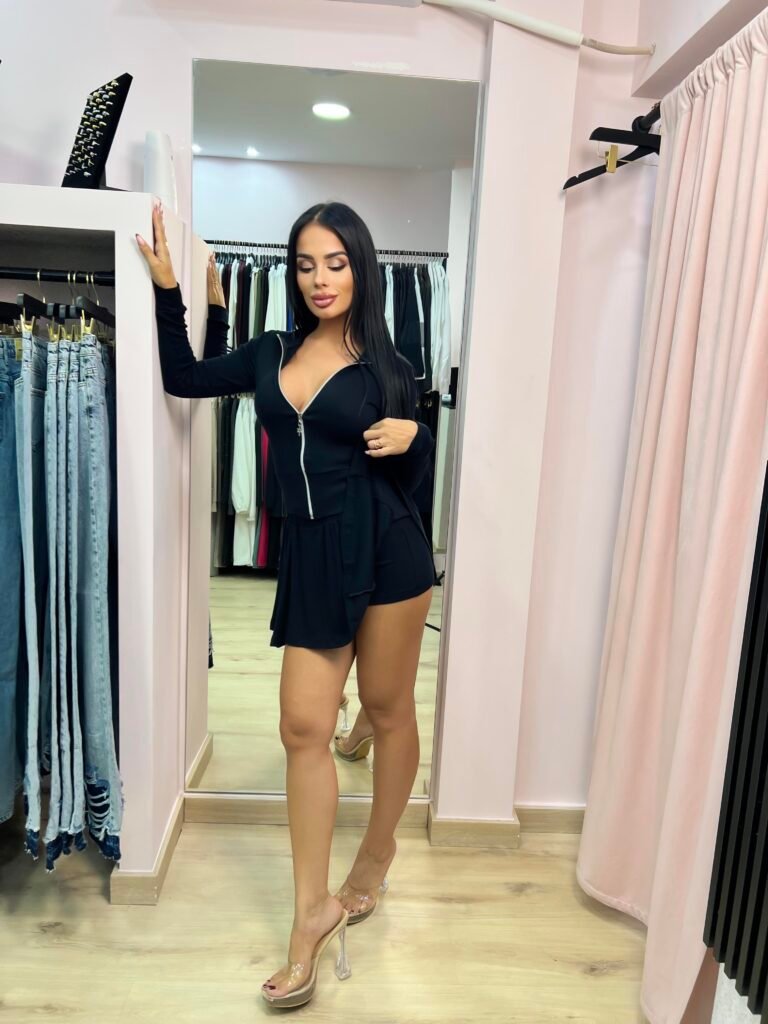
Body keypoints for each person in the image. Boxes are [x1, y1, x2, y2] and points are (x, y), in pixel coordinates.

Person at [137, 200, 435, 1009]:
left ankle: (376, 856)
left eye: (335, 263)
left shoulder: (391, 366)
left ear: (361, 268)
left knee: (388, 707)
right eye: (305, 264)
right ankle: (313, 911)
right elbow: (185, 378)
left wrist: (418, 438)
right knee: (303, 727)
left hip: (390, 549)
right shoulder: (271, 351)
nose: (319, 279)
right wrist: (175, 296)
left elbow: (411, 485)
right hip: (311, 555)